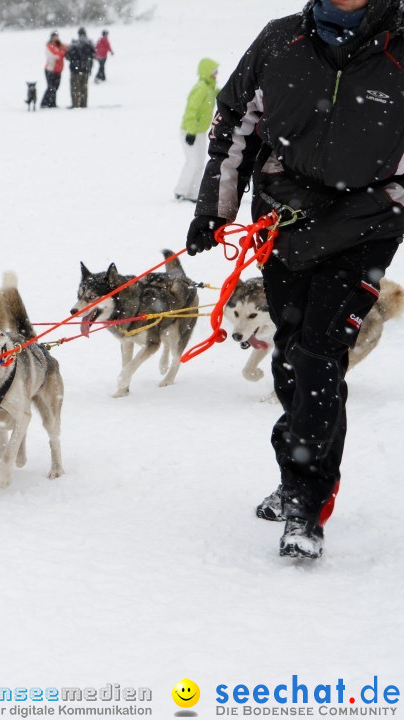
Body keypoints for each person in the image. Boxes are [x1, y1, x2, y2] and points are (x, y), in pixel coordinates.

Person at [185, 0, 404, 559]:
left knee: (318, 354)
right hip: (287, 223)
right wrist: (215, 207)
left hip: (365, 227)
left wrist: (380, 199)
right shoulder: (281, 41)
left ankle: (307, 503)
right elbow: (235, 122)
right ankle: (293, 475)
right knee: (287, 355)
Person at [173, 58, 218, 202]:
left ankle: (193, 193)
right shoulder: (201, 88)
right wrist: (191, 132)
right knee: (193, 162)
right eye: (214, 71)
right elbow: (191, 110)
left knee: (199, 163)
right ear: (206, 71)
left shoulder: (210, 88)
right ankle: (181, 191)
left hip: (199, 132)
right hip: (190, 131)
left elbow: (221, 93)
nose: (216, 74)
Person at [66, 27, 94, 108]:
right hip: (86, 70)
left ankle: (75, 105)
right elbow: (93, 55)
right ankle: (83, 104)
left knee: (75, 89)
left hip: (75, 70)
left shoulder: (75, 43)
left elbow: (68, 56)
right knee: (84, 88)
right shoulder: (89, 43)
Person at [41, 32, 66, 108]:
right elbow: (54, 55)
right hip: (50, 69)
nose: (56, 38)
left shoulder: (59, 45)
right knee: (51, 87)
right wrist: (61, 53)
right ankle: (45, 103)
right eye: (54, 36)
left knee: (56, 87)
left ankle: (52, 102)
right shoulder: (49, 45)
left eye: (57, 36)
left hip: (58, 70)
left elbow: (66, 49)